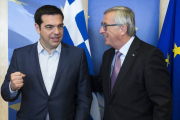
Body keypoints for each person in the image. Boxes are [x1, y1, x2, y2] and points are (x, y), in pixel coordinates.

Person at [1, 5, 92, 120]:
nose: (57, 32)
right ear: (37, 28)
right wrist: (12, 87)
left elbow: (84, 97)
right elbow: (6, 94)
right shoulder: (20, 55)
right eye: (49, 27)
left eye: (60, 26)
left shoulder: (77, 55)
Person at [91, 6, 172, 120]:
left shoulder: (150, 55)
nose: (101, 30)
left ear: (123, 29)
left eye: (105, 26)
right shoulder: (108, 55)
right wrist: (73, 74)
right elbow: (101, 84)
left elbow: (162, 104)